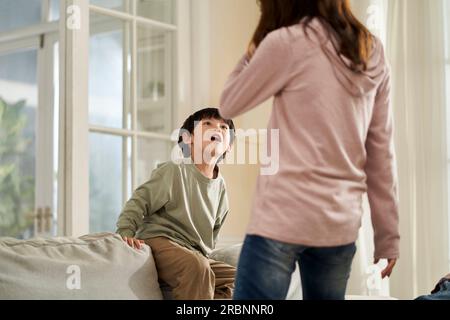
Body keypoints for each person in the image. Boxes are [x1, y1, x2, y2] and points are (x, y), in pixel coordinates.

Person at [219, 0, 400, 300]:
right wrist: (387, 237)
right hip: (337, 224)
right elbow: (381, 152)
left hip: (281, 219)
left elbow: (229, 103)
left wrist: (261, 37)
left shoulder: (286, 41)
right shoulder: (372, 50)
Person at [116, 108, 236, 300]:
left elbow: (213, 232)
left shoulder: (221, 187)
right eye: (208, 124)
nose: (217, 129)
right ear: (188, 139)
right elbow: (139, 202)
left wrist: (201, 253)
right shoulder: (174, 171)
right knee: (197, 266)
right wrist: (125, 232)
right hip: (160, 241)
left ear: (229, 146)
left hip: (194, 253)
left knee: (236, 277)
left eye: (223, 127)